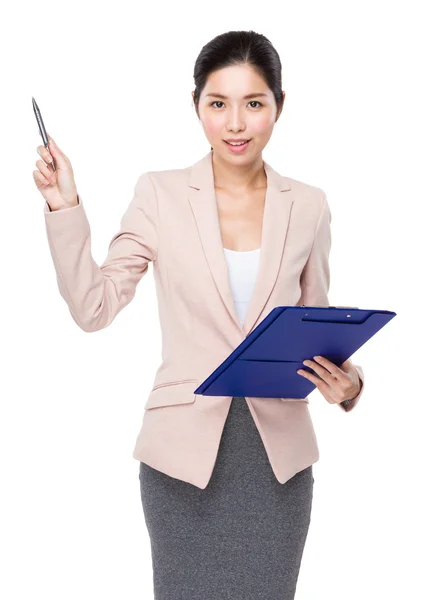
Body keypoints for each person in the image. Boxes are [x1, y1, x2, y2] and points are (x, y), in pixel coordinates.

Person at [33, 29, 364, 600]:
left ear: (278, 109)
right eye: (218, 104)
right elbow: (94, 307)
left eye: (253, 104)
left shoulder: (308, 205)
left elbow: (318, 324)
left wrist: (349, 384)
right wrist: (65, 206)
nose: (235, 124)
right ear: (197, 107)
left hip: (277, 466)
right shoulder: (159, 194)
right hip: (181, 462)